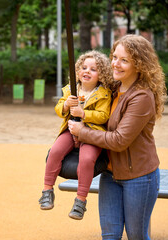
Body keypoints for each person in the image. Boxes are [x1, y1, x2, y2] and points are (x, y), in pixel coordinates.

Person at [68, 34, 166, 239]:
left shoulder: (141, 97)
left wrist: (82, 132)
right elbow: (87, 94)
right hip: (110, 173)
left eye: (124, 60)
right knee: (110, 235)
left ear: (139, 65)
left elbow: (119, 140)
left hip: (139, 176)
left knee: (136, 235)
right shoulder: (111, 89)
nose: (115, 64)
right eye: (114, 57)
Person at [39, 50, 113, 220]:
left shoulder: (103, 93)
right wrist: (65, 105)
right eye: (84, 67)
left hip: (91, 133)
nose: (87, 71)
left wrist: (84, 113)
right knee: (55, 151)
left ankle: (80, 200)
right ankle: (47, 190)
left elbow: (104, 115)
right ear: (78, 71)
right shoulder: (70, 90)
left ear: (101, 75)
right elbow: (58, 109)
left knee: (86, 160)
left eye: (93, 69)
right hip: (71, 130)